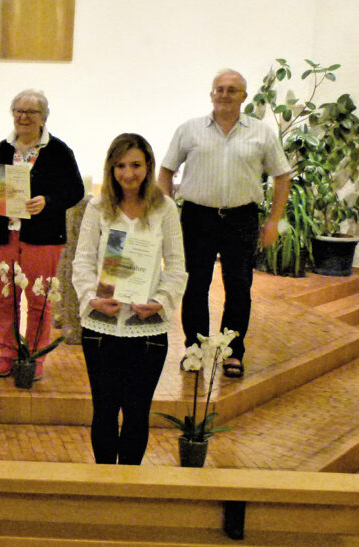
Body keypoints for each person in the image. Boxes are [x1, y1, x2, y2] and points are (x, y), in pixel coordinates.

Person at [157, 69, 291, 378]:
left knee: (239, 287)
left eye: (232, 89)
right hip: (196, 218)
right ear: (211, 94)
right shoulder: (189, 130)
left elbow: (282, 176)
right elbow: (165, 172)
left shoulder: (261, 133)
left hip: (241, 219)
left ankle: (232, 352)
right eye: (219, 88)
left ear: (244, 96)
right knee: (194, 286)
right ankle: (195, 349)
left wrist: (273, 222)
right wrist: (165, 217)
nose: (224, 94)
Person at [73, 133, 187, 465]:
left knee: (137, 414)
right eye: (120, 165)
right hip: (100, 327)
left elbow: (177, 265)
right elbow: (81, 261)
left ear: (149, 166)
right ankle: (106, 486)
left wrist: (161, 302)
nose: (128, 173)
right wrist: (92, 298)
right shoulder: (98, 207)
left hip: (146, 330)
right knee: (105, 412)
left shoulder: (165, 208)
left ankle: (130, 485)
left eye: (136, 165)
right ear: (111, 168)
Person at [0, 89, 84, 380]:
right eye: (18, 111)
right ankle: (7, 353)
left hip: (42, 237)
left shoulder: (59, 150)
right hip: (4, 233)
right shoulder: (3, 148)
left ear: (43, 117)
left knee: (38, 298)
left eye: (31, 112)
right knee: (5, 298)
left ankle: (34, 356)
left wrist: (48, 202)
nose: (23, 117)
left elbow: (75, 190)